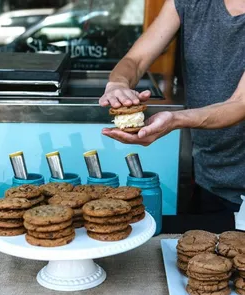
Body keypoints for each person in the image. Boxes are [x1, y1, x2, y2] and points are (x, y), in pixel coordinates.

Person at [99, 0, 245, 214]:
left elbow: (240, 103)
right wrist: (118, 83)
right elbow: (136, 60)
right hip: (210, 174)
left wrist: (175, 119)